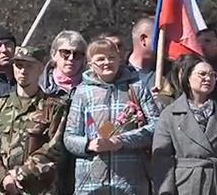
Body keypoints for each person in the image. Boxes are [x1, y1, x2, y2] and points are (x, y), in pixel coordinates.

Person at [64, 39, 159, 194]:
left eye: (111, 57)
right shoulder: (82, 92)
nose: (107, 62)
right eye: (100, 59)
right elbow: (69, 137)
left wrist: (122, 141)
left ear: (119, 59)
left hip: (130, 183)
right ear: (90, 64)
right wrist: (89, 145)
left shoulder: (136, 87)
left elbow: (157, 127)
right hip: (92, 185)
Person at [152, 56, 217, 194]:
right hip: (185, 186)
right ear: (187, 77)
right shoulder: (170, 114)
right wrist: (166, 192)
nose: (208, 78)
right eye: (202, 74)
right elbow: (162, 160)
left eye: (213, 75)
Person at [0, 46, 67, 195]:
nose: (23, 71)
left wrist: (20, 174)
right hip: (6, 189)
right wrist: (4, 178)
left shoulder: (54, 107)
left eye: (29, 66)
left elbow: (55, 148)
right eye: (18, 65)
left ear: (40, 69)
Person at [39, 30, 87, 195]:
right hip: (44, 165)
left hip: (80, 165)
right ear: (54, 54)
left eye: (78, 54)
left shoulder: (91, 89)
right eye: (65, 53)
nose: (71, 59)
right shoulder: (39, 88)